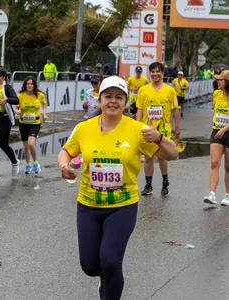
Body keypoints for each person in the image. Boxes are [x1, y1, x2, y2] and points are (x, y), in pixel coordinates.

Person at [57, 76, 178, 300]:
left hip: (122, 206)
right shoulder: (84, 128)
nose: (113, 101)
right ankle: (105, 279)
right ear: (100, 99)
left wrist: (160, 138)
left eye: (119, 97)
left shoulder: (137, 130)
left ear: (125, 101)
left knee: (111, 261)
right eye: (108, 96)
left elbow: (173, 154)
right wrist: (64, 166)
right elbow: (66, 151)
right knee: (90, 266)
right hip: (88, 205)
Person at [136, 62, 180, 196]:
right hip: (147, 130)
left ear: (162, 73)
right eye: (152, 72)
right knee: (148, 158)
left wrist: (177, 127)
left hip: (163, 131)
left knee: (162, 158)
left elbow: (175, 110)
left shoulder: (170, 90)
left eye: (158, 72)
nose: (155, 74)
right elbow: (140, 109)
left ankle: (165, 182)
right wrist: (137, 126)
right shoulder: (143, 90)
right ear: (149, 73)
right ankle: (148, 185)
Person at [204, 70, 229, 206]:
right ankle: (212, 194)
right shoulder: (216, 94)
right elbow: (216, 110)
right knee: (214, 162)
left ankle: (227, 195)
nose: (217, 81)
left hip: (227, 132)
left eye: (220, 79)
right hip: (217, 132)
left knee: (228, 166)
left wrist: (224, 129)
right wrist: (219, 128)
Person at [16, 76, 47, 174]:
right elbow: (16, 108)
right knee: (25, 146)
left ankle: (35, 163)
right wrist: (18, 111)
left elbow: (44, 104)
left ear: (34, 85)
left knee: (30, 143)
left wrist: (44, 113)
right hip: (23, 123)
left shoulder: (40, 95)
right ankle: (28, 164)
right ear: (25, 85)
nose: (29, 85)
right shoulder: (20, 96)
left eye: (31, 84)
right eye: (27, 84)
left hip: (35, 123)